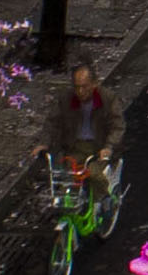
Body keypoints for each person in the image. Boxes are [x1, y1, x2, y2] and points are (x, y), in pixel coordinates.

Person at [36, 59, 124, 197]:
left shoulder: (108, 99)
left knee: (95, 175)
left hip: (98, 148)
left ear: (94, 84)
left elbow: (117, 126)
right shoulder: (66, 99)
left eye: (85, 87)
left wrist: (108, 146)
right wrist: (44, 143)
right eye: (77, 87)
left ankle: (102, 200)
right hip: (75, 147)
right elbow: (53, 122)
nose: (80, 91)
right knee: (65, 176)